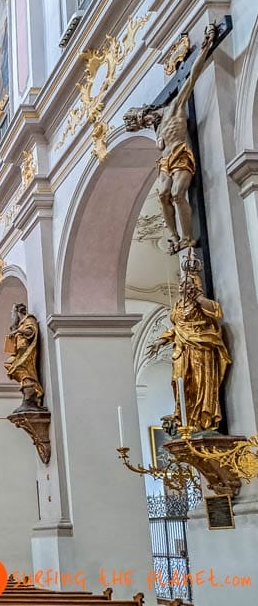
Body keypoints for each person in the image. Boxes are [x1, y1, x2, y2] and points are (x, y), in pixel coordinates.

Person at [124, 23, 218, 254]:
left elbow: (192, 77)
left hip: (180, 154)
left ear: (147, 112)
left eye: (143, 120)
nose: (146, 124)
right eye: (142, 124)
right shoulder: (157, 129)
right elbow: (159, 142)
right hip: (166, 162)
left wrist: (205, 48)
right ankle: (175, 237)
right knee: (162, 194)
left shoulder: (175, 107)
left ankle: (187, 237)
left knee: (177, 194)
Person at [146, 260, 230, 433]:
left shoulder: (200, 303)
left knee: (200, 383)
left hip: (200, 347)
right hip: (181, 350)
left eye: (185, 283)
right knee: (180, 382)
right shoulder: (177, 306)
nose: (180, 287)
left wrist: (199, 298)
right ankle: (185, 418)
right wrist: (160, 341)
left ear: (194, 286)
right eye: (180, 284)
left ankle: (201, 419)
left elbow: (216, 312)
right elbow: (177, 328)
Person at [3, 302, 44, 410]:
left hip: (27, 351)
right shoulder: (20, 323)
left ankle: (30, 394)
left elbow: (31, 331)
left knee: (22, 370)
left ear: (17, 311)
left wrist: (18, 331)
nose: (12, 314)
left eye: (12, 312)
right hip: (19, 352)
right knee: (9, 364)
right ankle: (27, 390)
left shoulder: (29, 319)